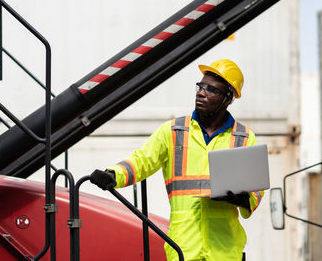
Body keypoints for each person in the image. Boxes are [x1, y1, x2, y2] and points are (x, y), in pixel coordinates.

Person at [90, 59, 264, 261]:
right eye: (201, 87)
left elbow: (256, 189)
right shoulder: (173, 131)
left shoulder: (243, 137)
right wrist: (113, 174)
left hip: (224, 251)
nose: (201, 93)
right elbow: (142, 160)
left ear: (228, 99)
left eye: (211, 90)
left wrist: (243, 199)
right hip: (183, 247)